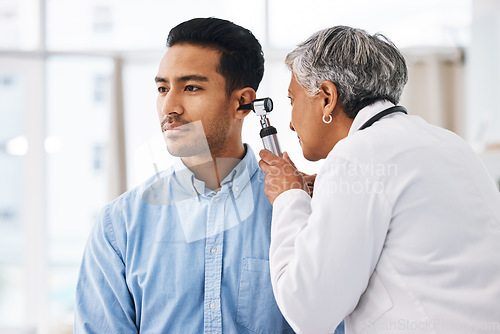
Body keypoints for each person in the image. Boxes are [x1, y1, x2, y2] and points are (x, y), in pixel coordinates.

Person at [259, 25, 500, 334]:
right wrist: (332, 193)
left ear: (327, 97)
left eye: (292, 100)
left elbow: (307, 311)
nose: (290, 123)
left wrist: (288, 197)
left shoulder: (355, 157)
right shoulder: (449, 143)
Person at [74, 17, 296, 333]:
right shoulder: (120, 224)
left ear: (243, 102)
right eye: (162, 88)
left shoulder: (296, 209)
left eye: (191, 87)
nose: (169, 107)